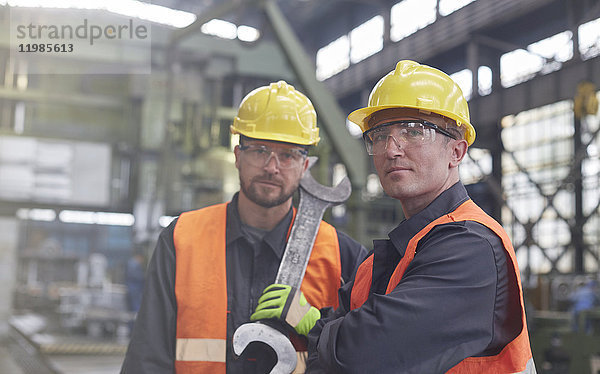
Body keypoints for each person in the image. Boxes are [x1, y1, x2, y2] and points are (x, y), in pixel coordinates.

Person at [252, 60, 536, 373]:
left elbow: (362, 354)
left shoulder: (472, 247)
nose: (391, 149)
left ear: (457, 152)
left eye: (414, 132)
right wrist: (318, 323)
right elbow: (345, 344)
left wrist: (323, 333)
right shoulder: (381, 260)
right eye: (380, 134)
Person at [120, 80, 367, 374]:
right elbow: (148, 359)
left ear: (304, 167)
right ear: (238, 157)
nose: (272, 167)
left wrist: (320, 326)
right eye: (260, 150)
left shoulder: (343, 255)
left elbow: (369, 356)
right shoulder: (181, 240)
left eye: (287, 154)